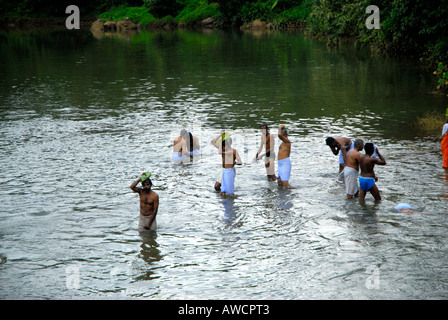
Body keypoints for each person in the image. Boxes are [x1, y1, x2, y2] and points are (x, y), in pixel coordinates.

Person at [211, 131, 242, 197]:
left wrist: (235, 162)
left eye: (228, 141)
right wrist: (220, 135)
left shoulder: (234, 151)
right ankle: (223, 195)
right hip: (224, 169)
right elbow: (213, 142)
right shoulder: (222, 149)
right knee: (216, 187)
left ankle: (227, 193)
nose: (226, 143)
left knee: (229, 191)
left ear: (230, 143)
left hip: (230, 169)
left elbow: (240, 161)